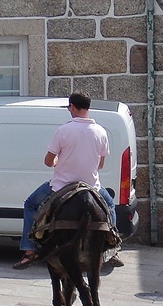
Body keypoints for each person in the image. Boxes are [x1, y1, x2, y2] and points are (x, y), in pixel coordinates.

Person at [13, 91, 122, 269]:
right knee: (110, 205)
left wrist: (56, 162)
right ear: (88, 107)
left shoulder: (63, 130)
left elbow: (48, 161)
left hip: (61, 185)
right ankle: (113, 247)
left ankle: (30, 250)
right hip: (91, 186)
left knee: (30, 205)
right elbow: (100, 165)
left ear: (72, 107)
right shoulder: (101, 132)